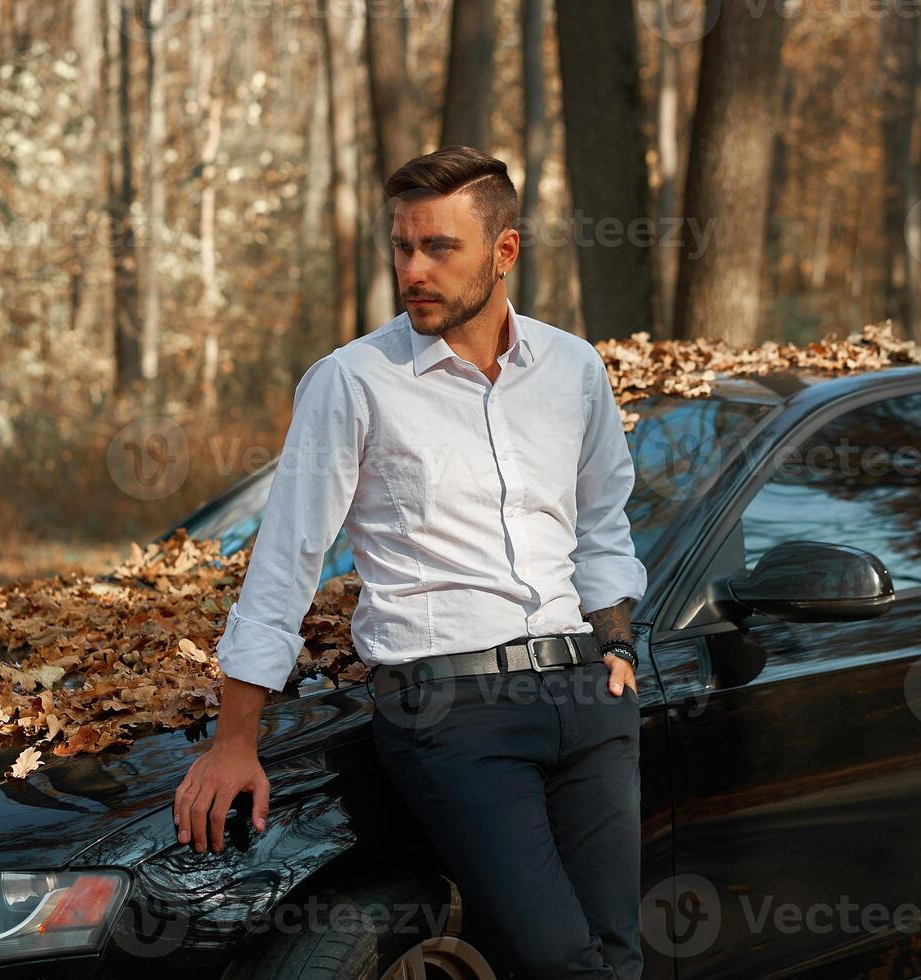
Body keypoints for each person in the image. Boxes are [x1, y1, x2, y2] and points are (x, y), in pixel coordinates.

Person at [172, 144, 647, 979]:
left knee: (617, 956)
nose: (413, 271)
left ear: (504, 253)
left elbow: (602, 519)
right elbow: (285, 561)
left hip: (585, 697)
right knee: (562, 964)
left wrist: (617, 645)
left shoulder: (572, 367)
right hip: (453, 713)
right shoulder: (353, 382)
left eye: (439, 248)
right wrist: (233, 741)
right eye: (402, 247)